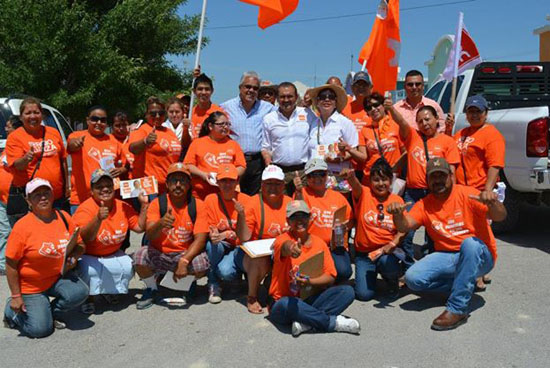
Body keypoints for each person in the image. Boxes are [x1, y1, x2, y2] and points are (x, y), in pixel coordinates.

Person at [388, 157, 507, 330]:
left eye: (441, 176)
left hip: (479, 255)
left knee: (469, 244)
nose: (437, 181)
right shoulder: (425, 204)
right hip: (448, 255)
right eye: (433, 177)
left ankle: (457, 308)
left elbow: (500, 217)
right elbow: (404, 226)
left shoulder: (467, 194)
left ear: (451, 176)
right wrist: (397, 214)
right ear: (427, 180)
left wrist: (493, 203)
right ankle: (463, 284)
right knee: (413, 279)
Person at [3, 178, 88, 338]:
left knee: (80, 292)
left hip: (56, 278)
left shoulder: (63, 217)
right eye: (36, 195)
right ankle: (12, 311)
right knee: (40, 330)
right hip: (31, 287)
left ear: (52, 194)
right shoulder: (22, 227)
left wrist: (74, 256)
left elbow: (80, 245)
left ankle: (49, 313)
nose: (43, 197)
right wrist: (16, 296)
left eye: (46, 192)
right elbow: (11, 264)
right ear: (28, 200)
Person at [268, 200, 360, 337]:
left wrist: (310, 282)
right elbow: (285, 247)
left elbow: (330, 276)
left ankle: (306, 322)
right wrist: (292, 249)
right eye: (294, 217)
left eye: (303, 216)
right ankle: (331, 323)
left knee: (347, 291)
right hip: (284, 302)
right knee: (286, 303)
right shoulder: (281, 239)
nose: (300, 221)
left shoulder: (319, 243)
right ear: (288, 221)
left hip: (309, 299)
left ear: (310, 218)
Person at [386, 100, 460, 263]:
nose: (424, 124)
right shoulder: (413, 137)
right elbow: (401, 122)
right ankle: (408, 267)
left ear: (436, 119)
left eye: (427, 119)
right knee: (406, 233)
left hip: (436, 194)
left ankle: (433, 266)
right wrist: (390, 108)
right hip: (413, 194)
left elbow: (452, 173)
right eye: (420, 121)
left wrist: (452, 198)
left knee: (436, 234)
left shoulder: (448, 142)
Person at [134, 163, 210, 309]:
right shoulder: (157, 203)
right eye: (174, 181)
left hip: (183, 253)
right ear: (167, 185)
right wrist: (161, 223)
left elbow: (200, 239)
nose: (178, 185)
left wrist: (184, 260)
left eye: (183, 181)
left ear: (189, 185)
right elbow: (149, 234)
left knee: (202, 264)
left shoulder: (197, 205)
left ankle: (185, 285)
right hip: (160, 252)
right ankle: (152, 288)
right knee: (139, 256)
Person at [73, 169, 148, 314]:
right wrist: (98, 219)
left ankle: (108, 290)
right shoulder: (85, 209)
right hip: (89, 255)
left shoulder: (122, 206)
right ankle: (88, 298)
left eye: (108, 185)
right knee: (89, 271)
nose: (105, 189)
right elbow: (86, 238)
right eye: (99, 187)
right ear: (92, 191)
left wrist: (144, 206)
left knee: (127, 267)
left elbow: (139, 227)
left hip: (113, 253)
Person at [451, 94, 506, 291]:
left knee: (482, 233)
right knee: (467, 232)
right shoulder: (462, 133)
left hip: (480, 192)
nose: (474, 115)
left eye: (478, 111)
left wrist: (487, 192)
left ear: (486, 113)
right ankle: (473, 268)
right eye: (470, 111)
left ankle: (481, 272)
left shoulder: (491, 135)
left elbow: (495, 165)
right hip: (462, 192)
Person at [341, 159, 406, 300]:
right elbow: (356, 185)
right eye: (376, 180)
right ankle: (370, 276)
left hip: (387, 253)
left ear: (391, 180)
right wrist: (351, 177)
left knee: (387, 262)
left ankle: (392, 279)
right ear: (370, 181)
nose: (381, 184)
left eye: (385, 180)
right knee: (364, 295)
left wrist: (393, 243)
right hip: (364, 255)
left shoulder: (397, 200)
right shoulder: (364, 194)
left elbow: (403, 229)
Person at [234, 165, 292, 313]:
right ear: (262, 185)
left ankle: (276, 287)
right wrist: (241, 216)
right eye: (269, 183)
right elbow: (244, 237)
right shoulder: (253, 203)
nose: (273, 187)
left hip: (279, 251)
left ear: (283, 186)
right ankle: (252, 297)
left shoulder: (289, 203)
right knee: (258, 258)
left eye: (277, 184)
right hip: (254, 252)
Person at [5, 97, 69, 224]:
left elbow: (63, 160)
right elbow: (16, 165)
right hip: (32, 201)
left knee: (58, 232)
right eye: (28, 113)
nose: (32, 116)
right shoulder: (15, 137)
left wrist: (67, 186)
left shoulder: (53, 132)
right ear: (21, 117)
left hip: (56, 197)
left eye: (36, 112)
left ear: (42, 115)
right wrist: (25, 159)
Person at [294, 158, 353, 282]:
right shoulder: (302, 194)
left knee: (344, 271)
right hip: (311, 246)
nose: (317, 179)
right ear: (307, 178)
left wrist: (345, 227)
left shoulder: (338, 197)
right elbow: (298, 214)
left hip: (334, 246)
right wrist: (298, 192)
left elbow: (351, 220)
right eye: (312, 175)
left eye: (321, 174)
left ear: (327, 175)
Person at [204, 164, 253, 304]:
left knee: (225, 271)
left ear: (237, 182)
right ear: (217, 182)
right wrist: (212, 234)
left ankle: (237, 277)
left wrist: (228, 233)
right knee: (212, 245)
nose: (227, 184)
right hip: (221, 244)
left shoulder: (247, 200)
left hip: (240, 246)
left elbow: (249, 233)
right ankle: (213, 284)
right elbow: (210, 227)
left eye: (231, 180)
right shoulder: (210, 200)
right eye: (223, 181)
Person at [221, 71, 276, 195]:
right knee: (233, 196)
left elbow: (286, 111)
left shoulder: (267, 108)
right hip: (233, 161)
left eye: (255, 88)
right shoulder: (225, 107)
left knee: (254, 199)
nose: (251, 90)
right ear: (240, 88)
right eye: (248, 87)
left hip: (257, 163)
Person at [67, 106, 126, 213]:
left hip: (106, 199)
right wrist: (75, 144)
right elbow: (71, 146)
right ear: (87, 120)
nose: (98, 123)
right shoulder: (76, 136)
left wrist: (120, 170)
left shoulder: (114, 141)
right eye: (94, 119)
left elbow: (125, 165)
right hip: (81, 200)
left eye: (103, 120)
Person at [261, 82, 316, 195]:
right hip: (280, 172)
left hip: (304, 171)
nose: (286, 100)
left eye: (290, 96)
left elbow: (315, 140)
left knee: (303, 206)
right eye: (282, 97)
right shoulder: (269, 119)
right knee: (281, 207)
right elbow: (265, 147)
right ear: (277, 98)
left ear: (296, 97)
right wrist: (268, 162)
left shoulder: (308, 114)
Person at [340, 92, 404, 185]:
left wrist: (394, 169)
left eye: (376, 105)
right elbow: (363, 157)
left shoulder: (396, 125)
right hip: (370, 178)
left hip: (391, 178)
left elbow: (405, 152)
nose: (373, 109)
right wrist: (349, 149)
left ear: (383, 105)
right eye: (369, 108)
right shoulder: (365, 130)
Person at [184, 112, 247, 200]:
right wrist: (203, 175)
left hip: (226, 195)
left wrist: (227, 175)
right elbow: (188, 165)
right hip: (201, 195)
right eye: (221, 124)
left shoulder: (233, 144)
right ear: (210, 126)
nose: (225, 127)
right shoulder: (197, 143)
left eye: (227, 124)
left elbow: (242, 166)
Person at [128, 96, 182, 194]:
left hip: (168, 187)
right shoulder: (142, 130)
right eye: (153, 113)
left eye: (161, 113)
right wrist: (145, 141)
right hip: (148, 188)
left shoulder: (169, 132)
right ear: (146, 114)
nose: (157, 116)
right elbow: (132, 148)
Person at [307, 84, 358, 175]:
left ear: (335, 103)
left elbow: (354, 150)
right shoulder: (313, 123)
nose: (327, 100)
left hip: (337, 176)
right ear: (317, 102)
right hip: (315, 176)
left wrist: (339, 158)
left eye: (331, 97)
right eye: (323, 97)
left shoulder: (345, 122)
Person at [0, 116, 22, 274]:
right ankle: (2, 265)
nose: (6, 129)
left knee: (18, 232)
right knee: (4, 232)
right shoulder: (6, 147)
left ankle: (20, 263)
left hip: (16, 199)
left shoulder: (19, 147)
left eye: (8, 126)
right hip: (2, 199)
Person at [190, 73, 225, 139]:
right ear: (194, 91)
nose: (203, 92)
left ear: (212, 91)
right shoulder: (190, 113)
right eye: (200, 89)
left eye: (207, 89)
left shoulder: (219, 113)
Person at [110, 111, 134, 180]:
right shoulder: (106, 140)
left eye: (124, 125)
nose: (121, 128)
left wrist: (125, 169)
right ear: (111, 126)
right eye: (117, 125)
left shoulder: (135, 140)